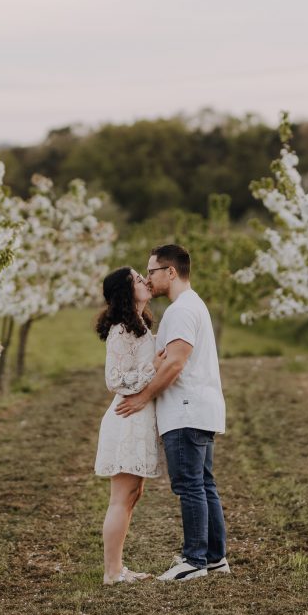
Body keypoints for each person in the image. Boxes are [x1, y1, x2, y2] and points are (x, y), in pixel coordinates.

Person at [116, 244, 229, 582]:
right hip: (200, 408)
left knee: (190, 485)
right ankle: (215, 557)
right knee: (204, 483)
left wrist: (142, 397)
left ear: (171, 272)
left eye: (151, 271)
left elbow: (176, 362)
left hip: (185, 409)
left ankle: (195, 559)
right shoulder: (191, 306)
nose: (148, 278)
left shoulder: (181, 310)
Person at [94, 266, 166, 584]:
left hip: (138, 419)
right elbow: (115, 380)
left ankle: (119, 567)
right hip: (126, 419)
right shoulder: (121, 330)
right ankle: (112, 572)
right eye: (137, 279)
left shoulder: (137, 326)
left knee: (132, 495)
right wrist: (154, 366)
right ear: (126, 291)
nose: (144, 281)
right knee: (121, 499)